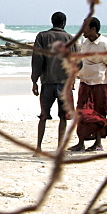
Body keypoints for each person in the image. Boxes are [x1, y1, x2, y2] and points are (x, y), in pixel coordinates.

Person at [67, 17, 107, 152]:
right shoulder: (85, 42)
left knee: (99, 112)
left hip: (99, 83)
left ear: (93, 29)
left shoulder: (106, 44)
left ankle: (98, 142)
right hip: (85, 81)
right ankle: (81, 142)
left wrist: (102, 76)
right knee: (82, 111)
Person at [30, 12, 75, 152]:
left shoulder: (42, 36)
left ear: (52, 21)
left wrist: (34, 80)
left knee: (43, 116)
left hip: (47, 81)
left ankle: (38, 147)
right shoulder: (70, 39)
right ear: (64, 23)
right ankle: (60, 148)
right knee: (63, 117)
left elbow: (37, 59)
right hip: (64, 83)